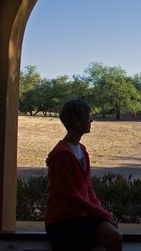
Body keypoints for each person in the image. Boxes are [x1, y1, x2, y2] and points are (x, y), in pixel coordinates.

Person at [45, 99, 122, 251]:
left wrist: (102, 213)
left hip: (82, 215)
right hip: (62, 220)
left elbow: (88, 188)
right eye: (88, 117)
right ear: (77, 121)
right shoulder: (61, 155)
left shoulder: (81, 149)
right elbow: (72, 197)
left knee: (115, 237)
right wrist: (103, 214)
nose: (91, 120)